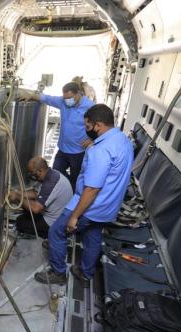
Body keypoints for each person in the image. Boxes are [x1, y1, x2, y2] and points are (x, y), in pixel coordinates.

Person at [35, 104, 134, 285]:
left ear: (99, 126)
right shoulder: (122, 140)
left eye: (88, 127)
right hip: (108, 208)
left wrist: (75, 216)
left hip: (90, 206)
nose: (87, 131)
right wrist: (94, 143)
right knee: (93, 237)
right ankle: (86, 273)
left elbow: (92, 189)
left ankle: (58, 273)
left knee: (56, 232)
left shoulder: (100, 151)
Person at [20, 82, 95, 190]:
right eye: (65, 98)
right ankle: (65, 190)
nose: (67, 101)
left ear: (78, 93)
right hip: (63, 149)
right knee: (56, 173)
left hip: (78, 151)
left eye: (69, 98)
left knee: (76, 178)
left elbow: (102, 125)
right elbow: (46, 98)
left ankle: (72, 198)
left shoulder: (90, 107)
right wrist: (31, 95)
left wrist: (92, 141)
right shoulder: (63, 102)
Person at [9, 156, 73, 238]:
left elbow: (36, 208)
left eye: (32, 172)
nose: (31, 175)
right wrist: (16, 192)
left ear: (39, 171)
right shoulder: (49, 173)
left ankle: (49, 236)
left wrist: (18, 197)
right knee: (26, 209)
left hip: (55, 222)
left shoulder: (51, 182)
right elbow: (34, 193)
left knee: (20, 222)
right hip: (53, 214)